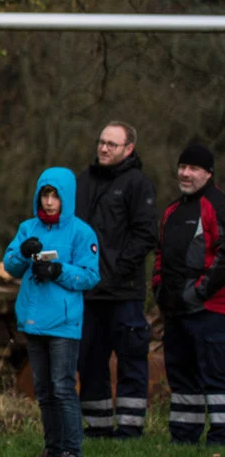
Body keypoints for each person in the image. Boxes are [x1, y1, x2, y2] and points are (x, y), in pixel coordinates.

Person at [3, 165, 101, 457]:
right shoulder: (27, 228)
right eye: (44, 194)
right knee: (44, 391)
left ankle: (73, 453)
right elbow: (11, 266)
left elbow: (90, 275)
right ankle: (52, 450)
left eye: (55, 196)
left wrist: (59, 271)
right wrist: (22, 251)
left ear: (66, 198)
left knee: (62, 387)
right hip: (34, 320)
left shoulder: (82, 232)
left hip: (63, 324)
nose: (48, 202)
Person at [76, 121, 159, 439]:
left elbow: (145, 236)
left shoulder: (137, 183)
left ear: (128, 149)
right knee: (90, 359)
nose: (104, 148)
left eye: (112, 144)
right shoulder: (84, 182)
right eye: (101, 142)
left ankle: (129, 428)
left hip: (124, 292)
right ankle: (96, 427)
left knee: (131, 358)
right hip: (88, 292)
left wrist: (114, 273)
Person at [152, 143, 225, 446]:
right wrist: (158, 286)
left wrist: (200, 292)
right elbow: (160, 254)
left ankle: (220, 437)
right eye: (182, 167)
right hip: (175, 310)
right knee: (181, 378)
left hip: (210, 310)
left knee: (216, 377)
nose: (185, 173)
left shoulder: (217, 205)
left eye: (193, 168)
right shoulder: (172, 210)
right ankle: (183, 438)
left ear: (208, 173)